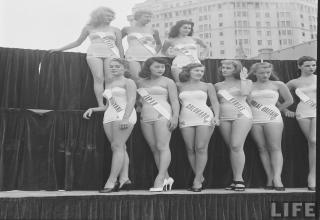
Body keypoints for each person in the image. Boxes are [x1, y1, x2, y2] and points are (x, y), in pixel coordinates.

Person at [51, 7, 124, 106]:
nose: (110, 18)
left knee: (110, 79)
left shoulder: (115, 29)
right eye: (108, 15)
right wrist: (60, 49)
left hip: (111, 54)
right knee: (98, 78)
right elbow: (78, 42)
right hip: (94, 54)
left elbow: (119, 45)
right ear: (100, 15)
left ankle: (110, 104)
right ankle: (100, 104)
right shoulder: (89, 28)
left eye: (112, 16)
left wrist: (122, 59)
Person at [83, 58, 136, 193]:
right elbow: (108, 106)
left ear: (124, 68)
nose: (113, 68)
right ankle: (125, 178)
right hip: (109, 116)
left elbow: (131, 100)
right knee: (120, 147)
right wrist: (93, 109)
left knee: (117, 146)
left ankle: (112, 181)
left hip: (123, 114)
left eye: (117, 66)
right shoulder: (109, 84)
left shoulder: (128, 82)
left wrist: (125, 118)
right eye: (111, 66)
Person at [248, 62, 293, 191]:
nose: (265, 75)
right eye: (262, 73)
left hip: (273, 118)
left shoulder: (278, 84)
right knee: (262, 148)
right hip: (254, 119)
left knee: (275, 147)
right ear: (255, 73)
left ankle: (278, 179)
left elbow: (290, 100)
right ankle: (269, 178)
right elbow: (246, 100)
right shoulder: (250, 85)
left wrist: (277, 109)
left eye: (268, 72)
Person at [137, 57, 179, 192]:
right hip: (145, 117)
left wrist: (175, 117)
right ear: (148, 67)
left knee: (162, 146)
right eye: (157, 67)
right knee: (154, 149)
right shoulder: (140, 82)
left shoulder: (169, 81)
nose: (161, 69)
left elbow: (175, 102)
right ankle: (167, 178)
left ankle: (160, 178)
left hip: (163, 115)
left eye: (162, 67)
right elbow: (138, 102)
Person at [177, 63, 220, 192]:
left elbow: (215, 102)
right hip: (185, 118)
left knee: (200, 148)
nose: (200, 73)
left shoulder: (208, 86)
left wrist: (217, 116)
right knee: (190, 149)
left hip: (204, 117)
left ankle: (197, 181)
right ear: (188, 71)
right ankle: (199, 176)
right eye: (197, 70)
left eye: (202, 71)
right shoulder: (179, 85)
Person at [214, 60, 252, 191]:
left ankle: (239, 179)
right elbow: (215, 102)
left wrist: (243, 79)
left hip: (242, 114)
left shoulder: (246, 82)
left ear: (236, 69)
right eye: (223, 67)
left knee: (236, 145)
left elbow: (245, 93)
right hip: (224, 116)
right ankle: (235, 179)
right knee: (232, 147)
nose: (224, 69)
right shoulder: (218, 85)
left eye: (228, 67)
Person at [282, 56, 317, 191]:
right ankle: (312, 177)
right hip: (303, 112)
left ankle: (312, 176)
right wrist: (285, 110)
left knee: (313, 140)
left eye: (314, 65)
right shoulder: (293, 82)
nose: (311, 68)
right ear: (300, 66)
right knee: (311, 143)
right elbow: (277, 95)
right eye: (308, 65)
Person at [121, 10, 162, 82]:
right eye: (146, 17)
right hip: (132, 56)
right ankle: (137, 93)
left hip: (148, 57)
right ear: (138, 17)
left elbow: (159, 44)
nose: (149, 19)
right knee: (136, 78)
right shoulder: (127, 29)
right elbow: (117, 42)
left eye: (150, 17)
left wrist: (153, 53)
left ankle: (145, 93)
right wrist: (121, 54)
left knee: (146, 78)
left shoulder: (154, 30)